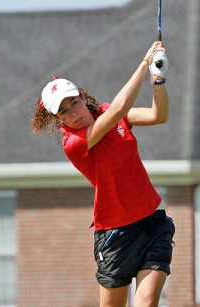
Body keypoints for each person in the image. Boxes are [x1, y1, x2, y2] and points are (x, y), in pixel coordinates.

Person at [31, 41, 175, 307]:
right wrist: (144, 63)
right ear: (58, 120)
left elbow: (159, 115)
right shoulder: (74, 143)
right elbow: (120, 108)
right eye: (63, 112)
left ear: (82, 98)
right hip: (115, 234)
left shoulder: (112, 115)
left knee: (147, 302)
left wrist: (158, 78)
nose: (73, 113)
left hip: (153, 219)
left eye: (74, 103)